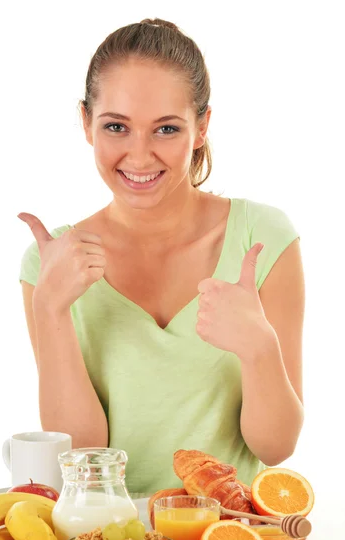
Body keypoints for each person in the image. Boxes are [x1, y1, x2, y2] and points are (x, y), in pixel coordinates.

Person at [18, 18, 305, 494]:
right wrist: (50, 308)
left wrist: (259, 349)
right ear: (87, 122)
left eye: (166, 129)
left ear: (202, 127)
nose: (139, 155)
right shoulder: (50, 263)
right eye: (116, 126)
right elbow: (83, 457)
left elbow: (276, 448)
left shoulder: (264, 239)